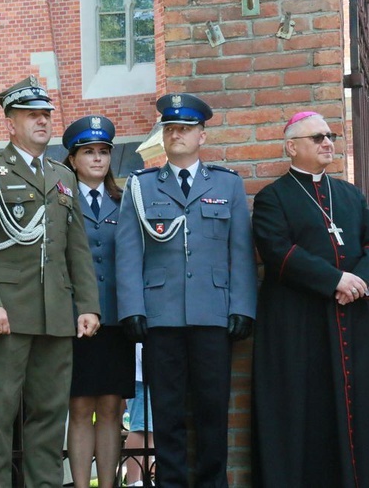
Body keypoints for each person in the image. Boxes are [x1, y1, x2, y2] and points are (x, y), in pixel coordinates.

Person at [251, 111, 369, 487]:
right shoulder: (272, 198)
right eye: (318, 137)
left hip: (354, 319)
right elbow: (278, 252)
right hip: (300, 324)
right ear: (292, 147)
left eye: (330, 136)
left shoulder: (349, 194)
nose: (328, 143)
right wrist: (335, 280)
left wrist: (359, 281)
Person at [0, 75, 101, 487]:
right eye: (31, 115)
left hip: (56, 313)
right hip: (8, 311)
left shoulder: (63, 175)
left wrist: (88, 305)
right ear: (10, 123)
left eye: (46, 114)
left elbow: (77, 247)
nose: (42, 121)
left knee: (50, 417)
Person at [115, 92, 258, 487]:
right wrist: (132, 308)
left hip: (214, 314)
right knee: (167, 411)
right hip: (160, 316)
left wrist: (242, 306)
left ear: (202, 137)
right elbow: (128, 250)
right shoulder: (141, 186)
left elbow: (240, 251)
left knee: (213, 410)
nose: (176, 134)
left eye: (185, 128)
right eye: (170, 128)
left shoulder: (227, 185)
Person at [61, 115, 135, 488]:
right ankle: (79, 484)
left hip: (116, 319)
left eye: (104, 152)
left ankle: (108, 484)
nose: (97, 159)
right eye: (88, 152)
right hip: (75, 318)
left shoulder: (124, 201)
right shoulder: (60, 198)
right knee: (80, 406)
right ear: (73, 159)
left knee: (111, 406)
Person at [123, 343, 154, 487]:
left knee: (148, 430)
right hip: (140, 377)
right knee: (140, 428)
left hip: (145, 376)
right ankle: (133, 481)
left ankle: (143, 479)